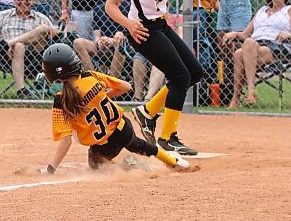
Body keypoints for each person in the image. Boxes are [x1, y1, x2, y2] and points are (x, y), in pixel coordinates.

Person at [106, 0, 216, 155]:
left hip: (162, 25)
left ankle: (146, 112)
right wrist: (129, 24)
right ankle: (168, 137)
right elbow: (111, 6)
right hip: (143, 30)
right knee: (179, 76)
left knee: (194, 72)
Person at [39, 43, 189, 174]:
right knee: (138, 145)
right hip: (123, 129)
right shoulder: (90, 76)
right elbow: (126, 87)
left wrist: (50, 169)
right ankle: (172, 161)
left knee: (96, 166)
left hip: (104, 147)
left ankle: (131, 168)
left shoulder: (61, 100)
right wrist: (101, 97)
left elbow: (66, 141)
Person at [222, 0, 291, 109]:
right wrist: (234, 33)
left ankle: (238, 97)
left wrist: (287, 35)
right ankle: (248, 93)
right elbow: (245, 34)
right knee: (242, 49)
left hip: (277, 45)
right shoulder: (261, 11)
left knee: (240, 52)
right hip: (254, 45)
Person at [0, 0, 59, 99]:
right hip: (9, 54)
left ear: (33, 1)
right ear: (15, 0)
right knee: (19, 46)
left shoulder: (41, 17)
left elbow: (55, 32)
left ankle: (10, 42)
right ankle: (21, 91)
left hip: (35, 55)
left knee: (44, 28)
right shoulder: (3, 15)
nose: (24, 1)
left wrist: (53, 32)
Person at [214, 0, 257, 104]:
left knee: (240, 45)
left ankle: (241, 91)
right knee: (224, 46)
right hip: (224, 4)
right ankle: (226, 85)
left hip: (240, 6)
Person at [73, 0, 130, 77]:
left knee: (119, 36)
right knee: (78, 42)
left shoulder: (129, 8)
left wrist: (113, 41)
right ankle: (94, 81)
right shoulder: (98, 9)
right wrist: (99, 41)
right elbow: (96, 34)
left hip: (122, 47)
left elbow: (130, 36)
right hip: (104, 48)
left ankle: (111, 84)